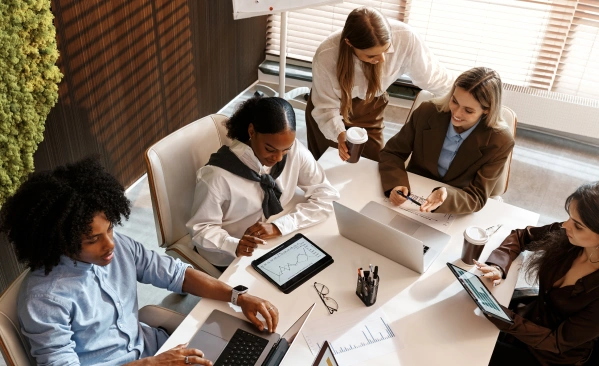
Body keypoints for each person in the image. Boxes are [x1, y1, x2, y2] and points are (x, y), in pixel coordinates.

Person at [0, 157, 279, 366]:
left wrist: (237, 296)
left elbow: (176, 274)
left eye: (109, 228)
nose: (110, 244)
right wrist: (151, 364)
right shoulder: (45, 299)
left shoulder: (117, 246)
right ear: (60, 240)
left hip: (157, 350)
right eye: (92, 239)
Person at [476, 181, 599, 365]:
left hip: (547, 358)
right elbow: (523, 236)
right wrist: (498, 266)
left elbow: (555, 342)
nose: (565, 225)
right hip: (524, 323)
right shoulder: (570, 236)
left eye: (578, 225)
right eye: (570, 217)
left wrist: (500, 316)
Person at [186, 96, 340, 270]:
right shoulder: (216, 177)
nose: (278, 158)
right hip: (229, 256)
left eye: (285, 149)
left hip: (274, 240)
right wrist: (234, 245)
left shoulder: (293, 150)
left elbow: (327, 194)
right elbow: (201, 229)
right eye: (270, 149)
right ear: (252, 132)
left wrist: (279, 227)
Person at [306, 6, 455, 162]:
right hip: (329, 110)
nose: (383, 59)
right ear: (349, 43)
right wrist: (339, 135)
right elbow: (325, 107)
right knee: (328, 163)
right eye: (372, 55)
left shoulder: (406, 38)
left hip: (370, 107)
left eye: (387, 49)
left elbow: (434, 78)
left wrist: (461, 98)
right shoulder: (326, 55)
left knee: (376, 163)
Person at [379, 67, 514, 214]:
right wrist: (396, 184)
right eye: (454, 101)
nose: (456, 113)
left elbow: (477, 196)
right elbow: (392, 153)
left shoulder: (500, 141)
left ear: (487, 110)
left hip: (456, 204)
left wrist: (447, 196)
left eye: (468, 110)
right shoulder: (426, 112)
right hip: (413, 190)